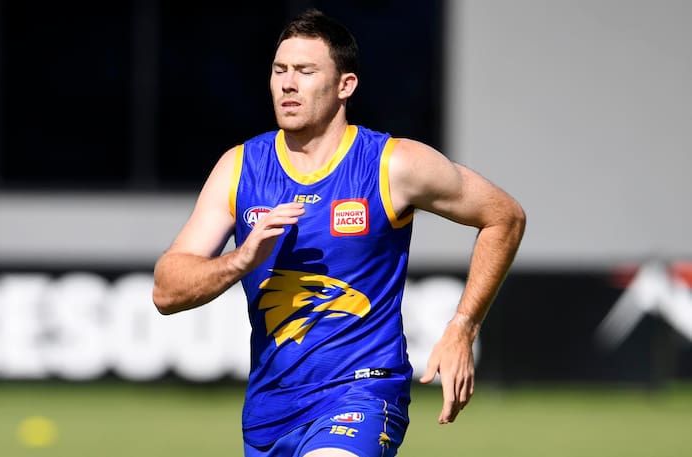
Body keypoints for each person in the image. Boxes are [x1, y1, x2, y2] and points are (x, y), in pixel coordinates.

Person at [152, 8, 525, 457]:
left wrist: (463, 327)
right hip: (270, 411)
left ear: (345, 86)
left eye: (305, 71)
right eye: (279, 71)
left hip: (362, 395)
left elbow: (504, 216)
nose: (288, 83)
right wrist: (240, 260)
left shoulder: (393, 164)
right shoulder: (239, 168)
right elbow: (166, 291)